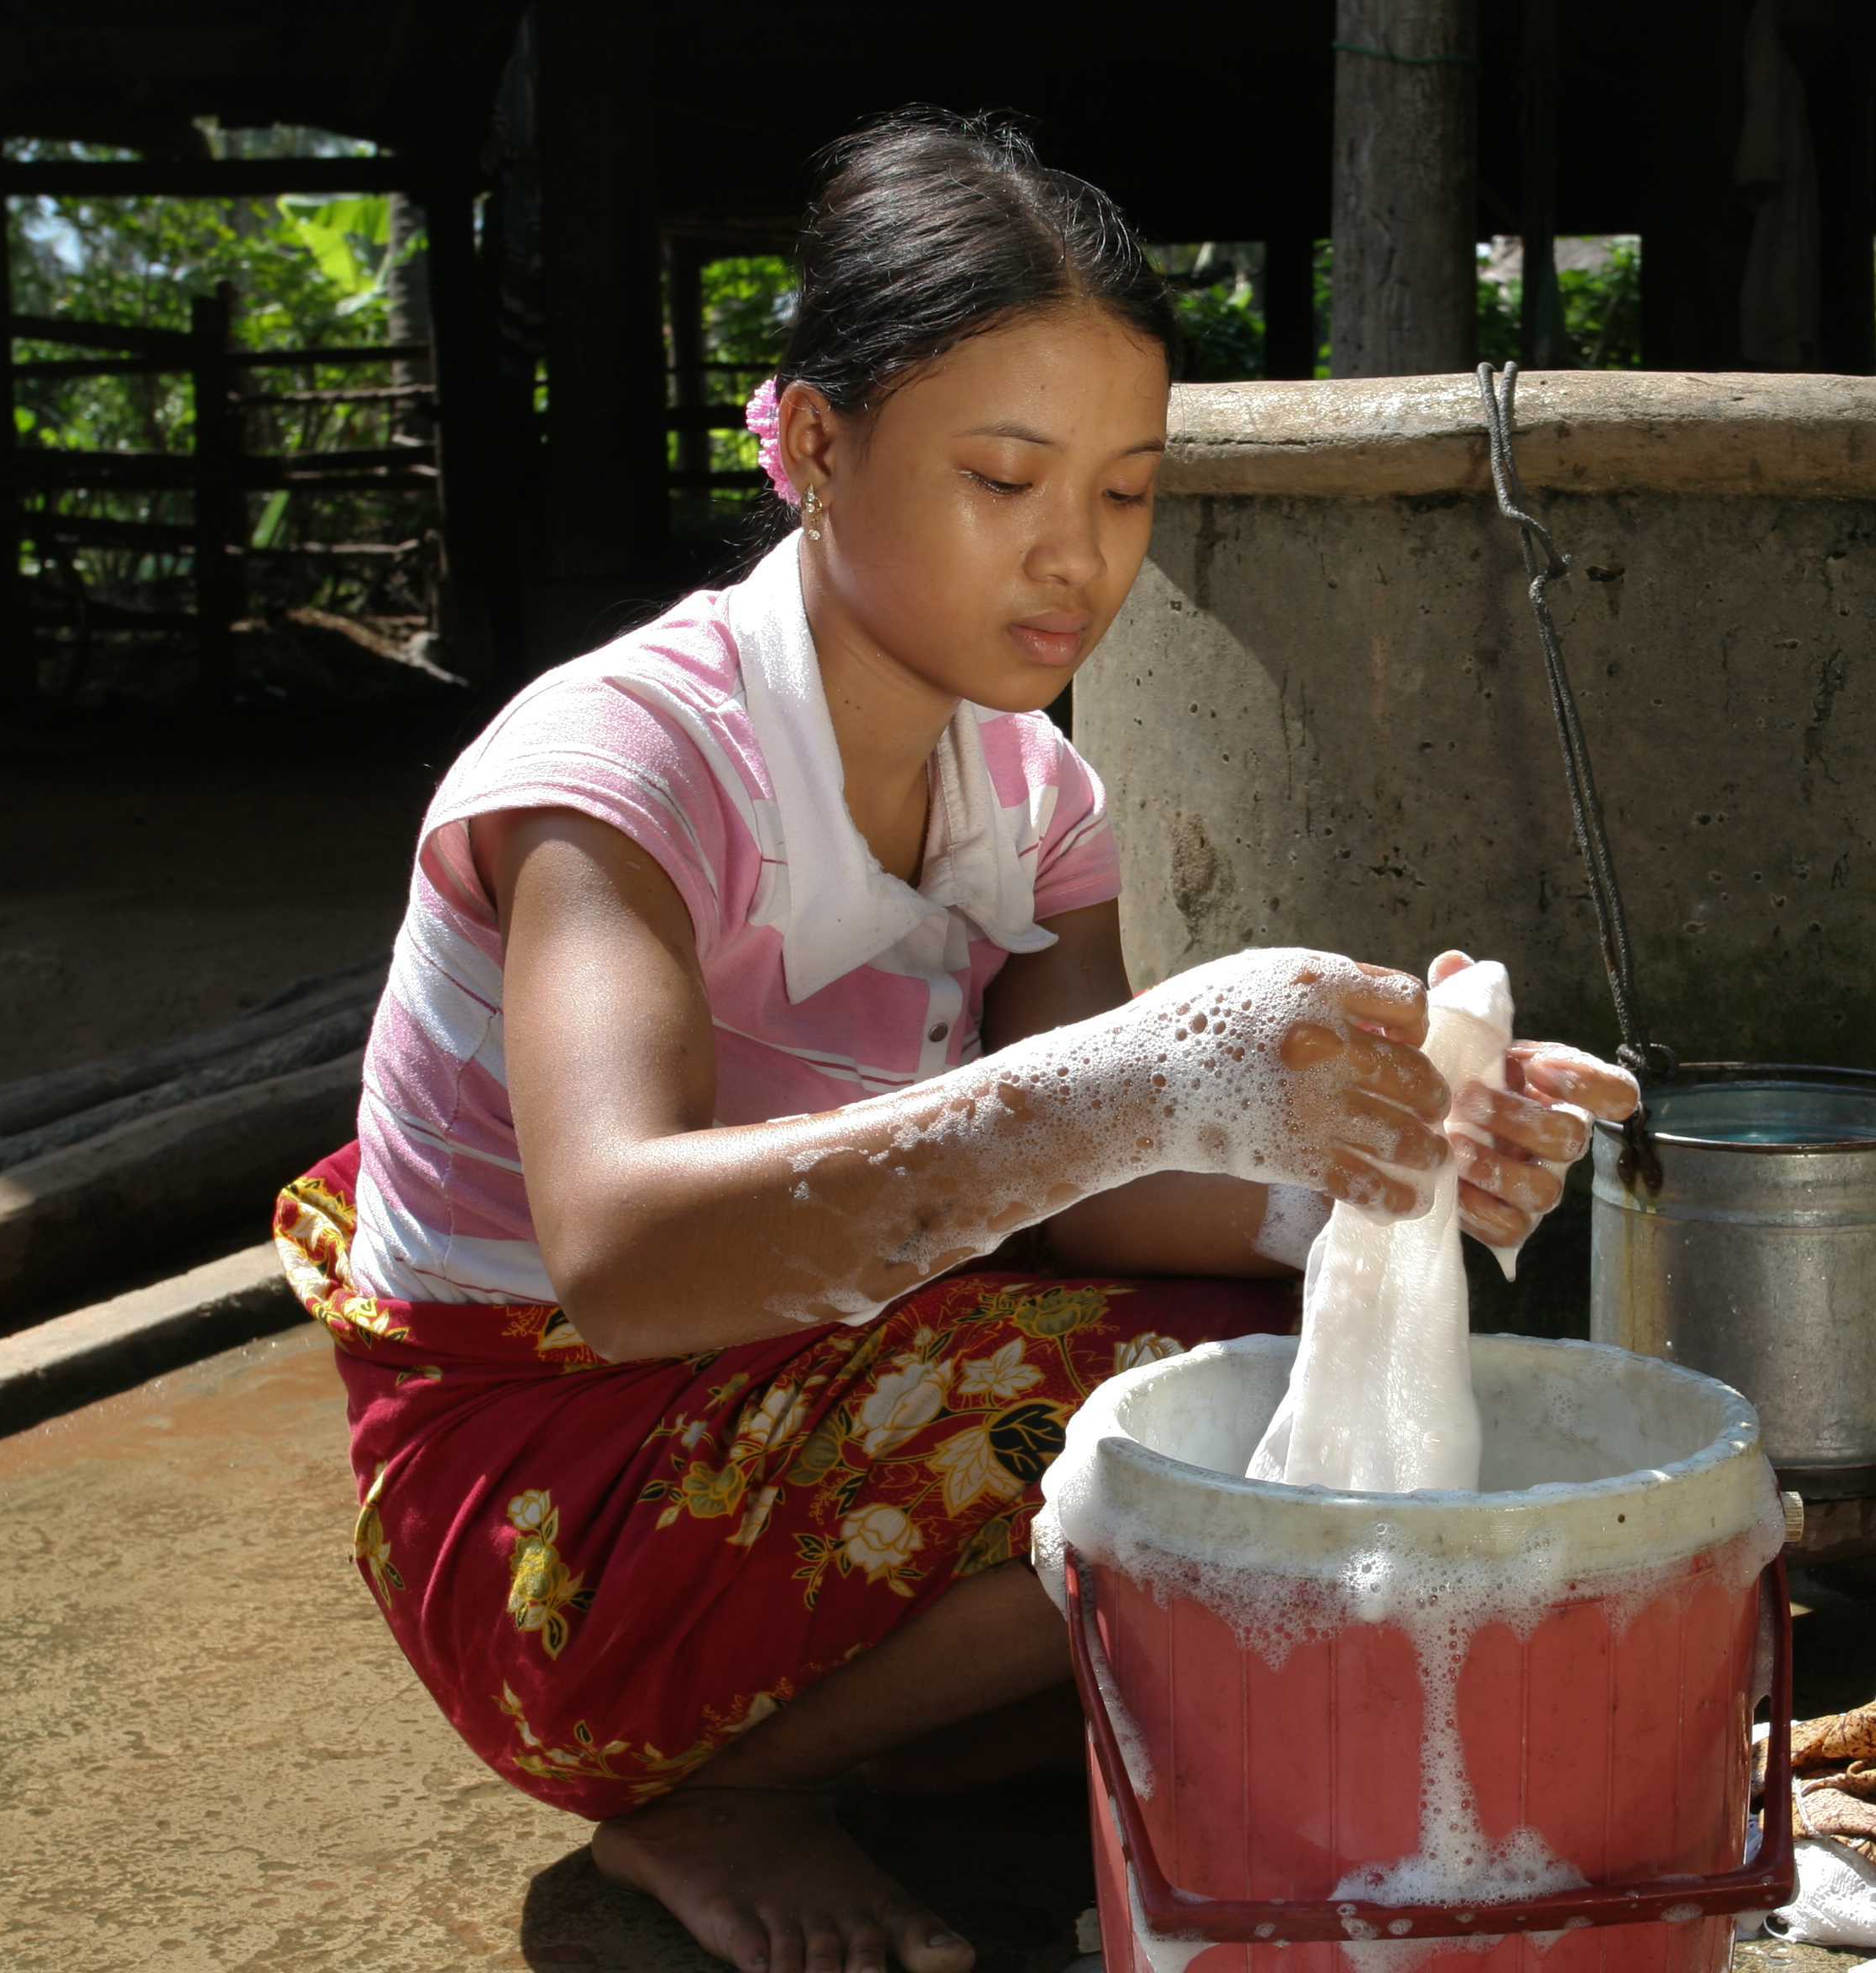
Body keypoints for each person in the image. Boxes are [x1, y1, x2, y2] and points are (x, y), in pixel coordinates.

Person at [272, 109, 1638, 1973]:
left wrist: (1386, 1146)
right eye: (1006, 478)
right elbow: (621, 1252)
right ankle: (711, 1788)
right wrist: (1144, 1072)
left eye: (1129, 489)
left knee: (1273, 1378)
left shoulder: (1033, 795)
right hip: (549, 1499)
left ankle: (852, 1721)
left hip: (807, 1382)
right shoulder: (620, 773)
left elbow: (1095, 1205)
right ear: (815, 445)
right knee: (1172, 1463)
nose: (1075, 558)